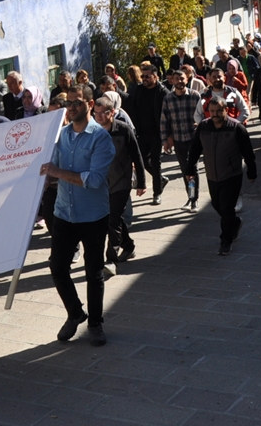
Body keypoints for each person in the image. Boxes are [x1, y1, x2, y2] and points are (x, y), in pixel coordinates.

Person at [40, 85, 116, 346]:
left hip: (93, 216)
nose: (71, 108)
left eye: (77, 103)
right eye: (68, 104)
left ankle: (96, 324)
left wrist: (57, 173)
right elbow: (50, 169)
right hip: (64, 213)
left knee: (93, 272)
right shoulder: (62, 135)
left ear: (90, 104)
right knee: (57, 267)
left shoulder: (100, 138)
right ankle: (75, 313)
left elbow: (94, 180)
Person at [186, 96, 257, 256]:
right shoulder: (203, 127)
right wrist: (190, 169)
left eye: (219, 111)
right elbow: (195, 149)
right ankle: (235, 223)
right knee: (218, 205)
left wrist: (252, 172)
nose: (215, 114)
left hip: (231, 175)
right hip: (212, 175)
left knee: (226, 208)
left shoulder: (236, 128)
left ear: (226, 110)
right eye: (212, 111)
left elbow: (248, 153)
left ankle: (226, 240)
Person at [93, 93, 146, 273]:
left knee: (112, 219)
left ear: (112, 112)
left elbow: (137, 155)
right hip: (101, 183)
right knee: (114, 218)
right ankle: (128, 246)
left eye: (103, 113)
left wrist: (141, 182)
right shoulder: (93, 131)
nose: (99, 116)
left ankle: (110, 260)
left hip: (122, 181)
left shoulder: (123, 130)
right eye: (96, 113)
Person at [160, 69, 201, 210]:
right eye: (176, 79)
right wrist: (165, 139)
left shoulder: (195, 96)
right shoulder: (168, 99)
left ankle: (194, 198)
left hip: (193, 138)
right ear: (172, 80)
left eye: (182, 78)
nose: (179, 81)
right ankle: (189, 197)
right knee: (185, 170)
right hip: (178, 139)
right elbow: (164, 120)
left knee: (192, 169)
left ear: (187, 79)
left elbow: (202, 116)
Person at [126, 63, 167, 204]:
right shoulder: (138, 90)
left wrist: (168, 135)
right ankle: (160, 179)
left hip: (157, 132)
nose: (144, 78)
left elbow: (167, 115)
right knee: (141, 161)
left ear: (156, 76)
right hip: (141, 132)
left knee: (156, 162)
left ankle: (157, 193)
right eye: (142, 76)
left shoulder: (162, 92)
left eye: (147, 76)